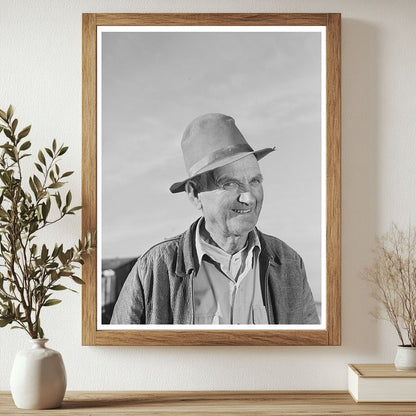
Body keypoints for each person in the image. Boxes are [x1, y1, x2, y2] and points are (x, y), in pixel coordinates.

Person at [110, 113, 319, 325]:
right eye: (229, 184)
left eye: (255, 181)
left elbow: (309, 351)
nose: (248, 197)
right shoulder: (154, 270)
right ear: (194, 194)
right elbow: (121, 354)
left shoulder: (289, 265)